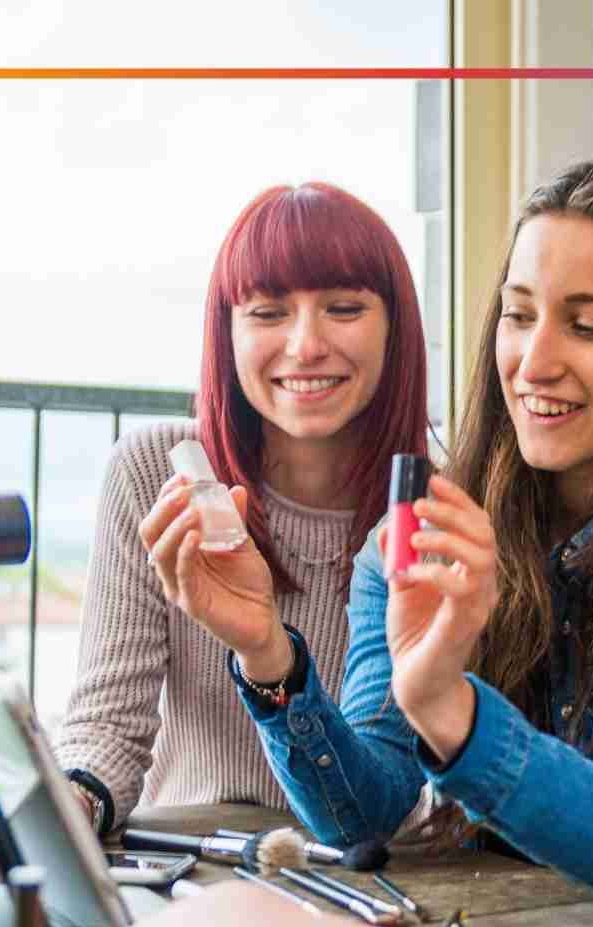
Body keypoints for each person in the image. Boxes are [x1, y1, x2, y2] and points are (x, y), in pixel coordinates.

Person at [141, 156, 593, 904]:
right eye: (519, 314)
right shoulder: (421, 539)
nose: (534, 363)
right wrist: (267, 654)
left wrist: (447, 705)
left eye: (589, 326)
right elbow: (364, 815)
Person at [52, 182, 431, 836]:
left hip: (366, 876)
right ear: (225, 333)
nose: (307, 345)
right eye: (267, 312)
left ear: (396, 329)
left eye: (343, 308)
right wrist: (67, 808)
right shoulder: (155, 470)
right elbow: (107, 727)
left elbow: (390, 777)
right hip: (191, 861)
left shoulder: (431, 510)